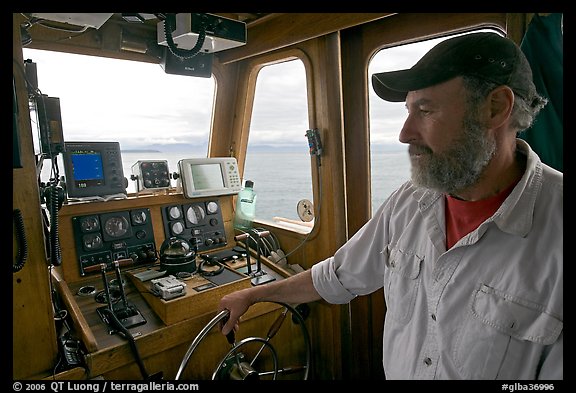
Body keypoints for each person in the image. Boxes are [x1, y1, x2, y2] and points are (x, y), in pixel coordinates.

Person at [218, 32, 563, 380]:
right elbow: (337, 275)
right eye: (408, 111)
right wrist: (253, 295)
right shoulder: (410, 202)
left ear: (495, 108)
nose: (405, 133)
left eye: (425, 110)